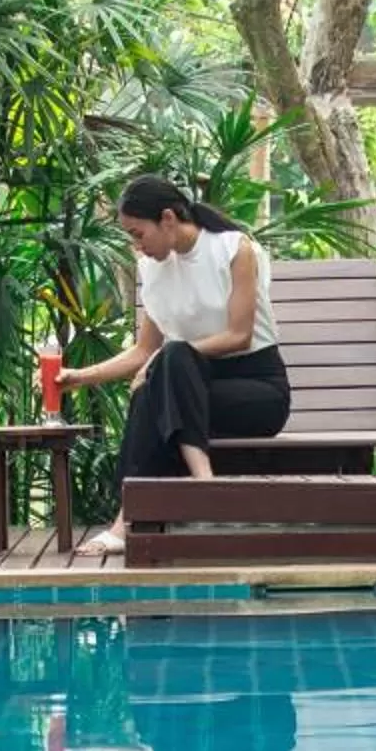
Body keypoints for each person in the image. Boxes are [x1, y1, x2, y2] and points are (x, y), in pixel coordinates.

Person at [59, 175, 291, 555]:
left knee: (170, 362)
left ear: (168, 218)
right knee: (163, 375)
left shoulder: (233, 249)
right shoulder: (152, 269)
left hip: (257, 391)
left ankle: (127, 521)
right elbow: (142, 350)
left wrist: (160, 361)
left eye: (138, 234)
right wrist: (80, 377)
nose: (136, 246)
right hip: (190, 391)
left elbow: (239, 336)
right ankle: (199, 484)